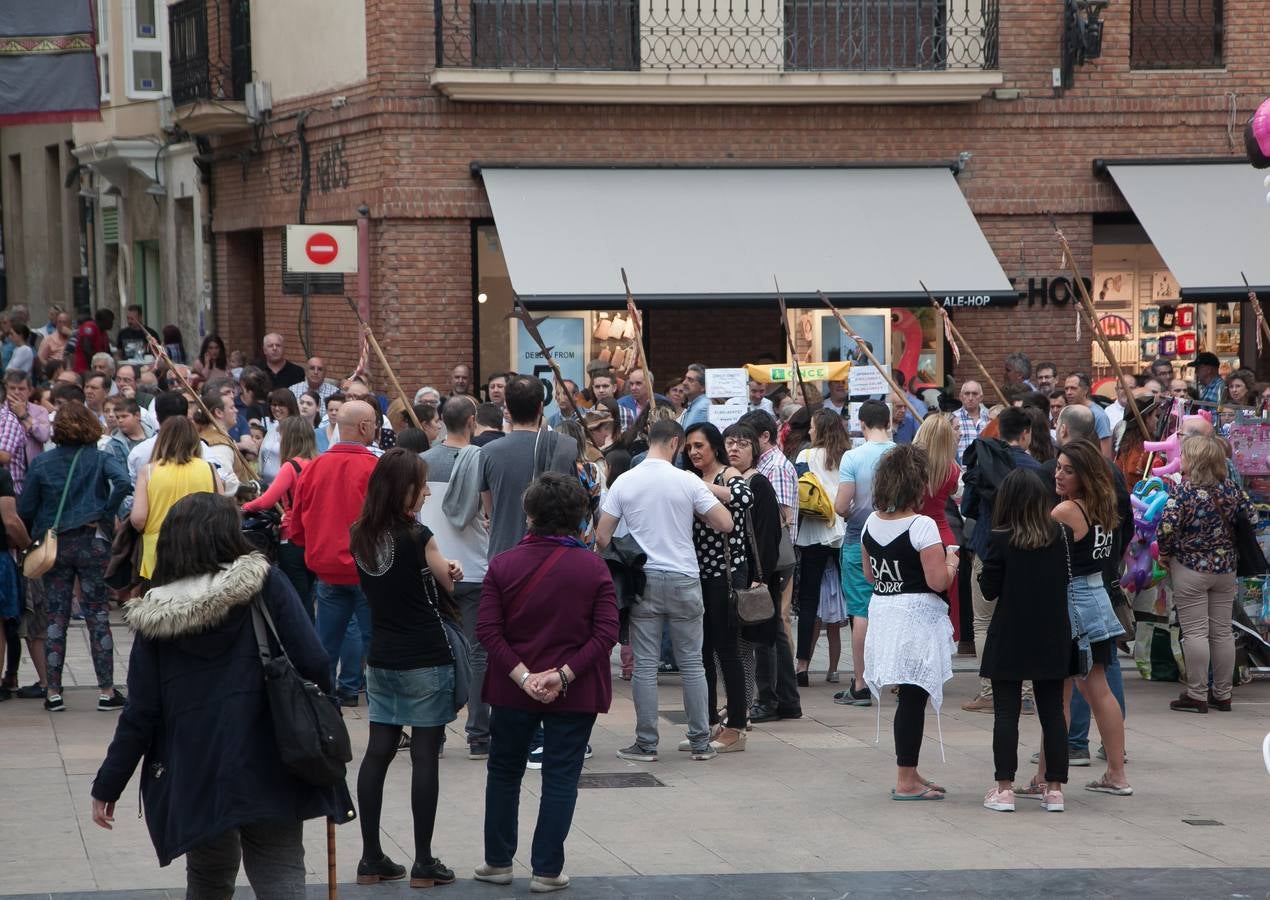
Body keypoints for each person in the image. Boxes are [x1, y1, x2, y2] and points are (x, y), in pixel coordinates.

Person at [90, 493, 352, 896]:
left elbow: (141, 712)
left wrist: (109, 784)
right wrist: (326, 720)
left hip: (196, 764)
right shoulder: (266, 584)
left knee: (209, 873)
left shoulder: (156, 614)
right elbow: (314, 659)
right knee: (279, 866)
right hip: (272, 752)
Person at [474, 474, 618, 893]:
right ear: (578, 518)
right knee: (560, 775)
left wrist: (523, 677)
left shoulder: (503, 564)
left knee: (504, 771)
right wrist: (562, 675)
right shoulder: (592, 567)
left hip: (511, 688)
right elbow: (606, 632)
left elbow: (487, 630)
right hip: (574, 691)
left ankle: (498, 861)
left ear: (530, 515)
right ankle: (547, 869)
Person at [349, 449, 461, 888]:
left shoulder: (359, 534)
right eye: (421, 484)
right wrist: (448, 567)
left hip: (382, 655)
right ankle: (424, 860)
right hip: (425, 655)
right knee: (424, 755)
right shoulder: (419, 535)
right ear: (404, 489)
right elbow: (448, 582)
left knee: (378, 751)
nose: (427, 490)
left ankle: (370, 856)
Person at [597, 419, 734, 762]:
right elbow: (725, 522)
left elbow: (601, 536)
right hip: (685, 577)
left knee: (644, 665)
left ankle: (646, 743)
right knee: (692, 663)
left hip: (643, 579)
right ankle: (700, 741)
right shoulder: (686, 480)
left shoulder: (625, 481)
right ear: (675, 442)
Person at [1026, 439, 1131, 797]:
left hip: (1071, 600)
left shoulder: (1066, 511)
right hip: (1096, 596)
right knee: (1096, 690)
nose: (1058, 474)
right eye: (1057, 467)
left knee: (1062, 694)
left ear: (1085, 475)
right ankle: (1115, 773)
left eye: (1068, 470)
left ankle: (1045, 778)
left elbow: (1039, 557)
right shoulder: (1104, 506)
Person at [859, 444, 957, 800]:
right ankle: (905, 779)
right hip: (916, 615)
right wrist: (952, 562)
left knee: (909, 695)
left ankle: (911, 771)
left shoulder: (870, 523)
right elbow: (937, 582)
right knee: (914, 697)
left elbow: (871, 575)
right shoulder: (922, 526)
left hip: (884, 612)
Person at [18, 401, 130, 712]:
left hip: (56, 546)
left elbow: (26, 507)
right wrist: (105, 512)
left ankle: (53, 691)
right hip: (92, 541)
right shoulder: (99, 458)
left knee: (56, 616)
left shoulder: (42, 463)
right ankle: (107, 690)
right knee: (97, 615)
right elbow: (123, 482)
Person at [977, 469, 1074, 813]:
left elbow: (989, 590)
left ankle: (1004, 789)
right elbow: (1067, 577)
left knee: (1007, 712)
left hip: (1011, 632)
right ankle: (1055, 789)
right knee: (1052, 712)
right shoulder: (1061, 534)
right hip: (1052, 632)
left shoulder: (1001, 538)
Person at [290, 400, 381, 705]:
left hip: (327, 569)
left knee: (325, 646)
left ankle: (321, 707)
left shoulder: (314, 467)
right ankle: (383, 710)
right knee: (376, 646)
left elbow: (297, 523)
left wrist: (314, 545)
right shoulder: (374, 468)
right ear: (365, 427)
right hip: (368, 571)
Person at [418, 395, 493, 758]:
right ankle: (479, 733)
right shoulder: (484, 460)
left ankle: (436, 733)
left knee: (437, 654)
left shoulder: (422, 463)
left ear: (441, 420)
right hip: (476, 568)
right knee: (478, 654)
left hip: (433, 567)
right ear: (472, 420)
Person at [1158, 433, 1254, 714]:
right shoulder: (1233, 490)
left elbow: (1167, 528)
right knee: (1222, 631)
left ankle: (1197, 694)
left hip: (1190, 567)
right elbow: (1251, 518)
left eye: (1185, 455)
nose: (1181, 459)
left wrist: (1165, 554)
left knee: (1195, 632)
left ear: (1195, 460)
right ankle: (1223, 694)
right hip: (1225, 569)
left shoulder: (1184, 492)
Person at [960, 407, 1041, 713]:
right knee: (1025, 622)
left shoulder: (984, 463)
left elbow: (967, 507)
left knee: (983, 623)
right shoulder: (1038, 468)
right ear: (1026, 433)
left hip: (987, 547)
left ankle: (989, 692)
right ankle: (1026, 691)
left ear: (998, 431)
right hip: (1028, 550)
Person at [683, 422, 752, 749]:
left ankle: (736, 725)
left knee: (727, 651)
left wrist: (702, 489)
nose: (694, 452)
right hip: (698, 575)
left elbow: (743, 496)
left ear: (714, 447)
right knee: (702, 652)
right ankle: (709, 721)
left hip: (725, 576)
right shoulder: (691, 479)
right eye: (689, 447)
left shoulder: (727, 475)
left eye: (699, 445)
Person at [736, 409, 801, 722]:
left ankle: (772, 699)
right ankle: (786, 700)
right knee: (773, 629)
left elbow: (782, 520)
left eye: (746, 439)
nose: (739, 446)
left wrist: (762, 570)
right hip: (771, 560)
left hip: (772, 561)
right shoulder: (765, 466)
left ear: (763, 437)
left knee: (767, 629)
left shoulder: (773, 468)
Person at [833, 399, 895, 707]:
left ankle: (861, 683)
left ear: (862, 423)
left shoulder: (853, 457)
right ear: (889, 422)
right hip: (900, 540)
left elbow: (841, 505)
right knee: (895, 608)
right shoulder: (901, 454)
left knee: (861, 611)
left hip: (861, 539)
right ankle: (895, 679)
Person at [481, 375, 577, 561]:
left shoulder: (487, 452)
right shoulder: (564, 446)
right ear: (541, 407)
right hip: (554, 555)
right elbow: (572, 503)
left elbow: (491, 511)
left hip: (504, 553)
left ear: (506, 406)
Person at [794, 408, 849, 683]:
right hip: (843, 530)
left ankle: (802, 666)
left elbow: (800, 490)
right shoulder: (847, 456)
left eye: (813, 427)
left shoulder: (805, 455)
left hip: (814, 531)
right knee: (853, 597)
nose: (810, 431)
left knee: (808, 600)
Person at [243, 417, 319, 615]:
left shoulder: (290, 467)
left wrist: (245, 507)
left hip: (293, 536)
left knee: (297, 598)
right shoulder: (318, 464)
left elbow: (267, 501)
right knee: (309, 594)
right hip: (314, 536)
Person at [132, 417, 222, 581]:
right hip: (201, 548)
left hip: (159, 551)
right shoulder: (209, 469)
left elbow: (138, 519)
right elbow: (222, 512)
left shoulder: (148, 472)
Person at [912, 413, 962, 638]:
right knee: (945, 595)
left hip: (913, 533)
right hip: (943, 535)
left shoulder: (910, 468)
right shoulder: (952, 470)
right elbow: (953, 492)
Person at [1064, 373, 1112, 458]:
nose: (1069, 392)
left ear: (1085, 390)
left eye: (1073, 388)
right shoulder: (1067, 412)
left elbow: (1106, 455)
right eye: (1066, 389)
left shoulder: (1099, 416)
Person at [954, 380, 989, 462]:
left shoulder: (989, 417)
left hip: (986, 471)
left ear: (981, 397)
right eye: (967, 393)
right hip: (962, 471)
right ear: (961, 397)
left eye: (974, 394)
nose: (970, 398)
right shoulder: (953, 419)